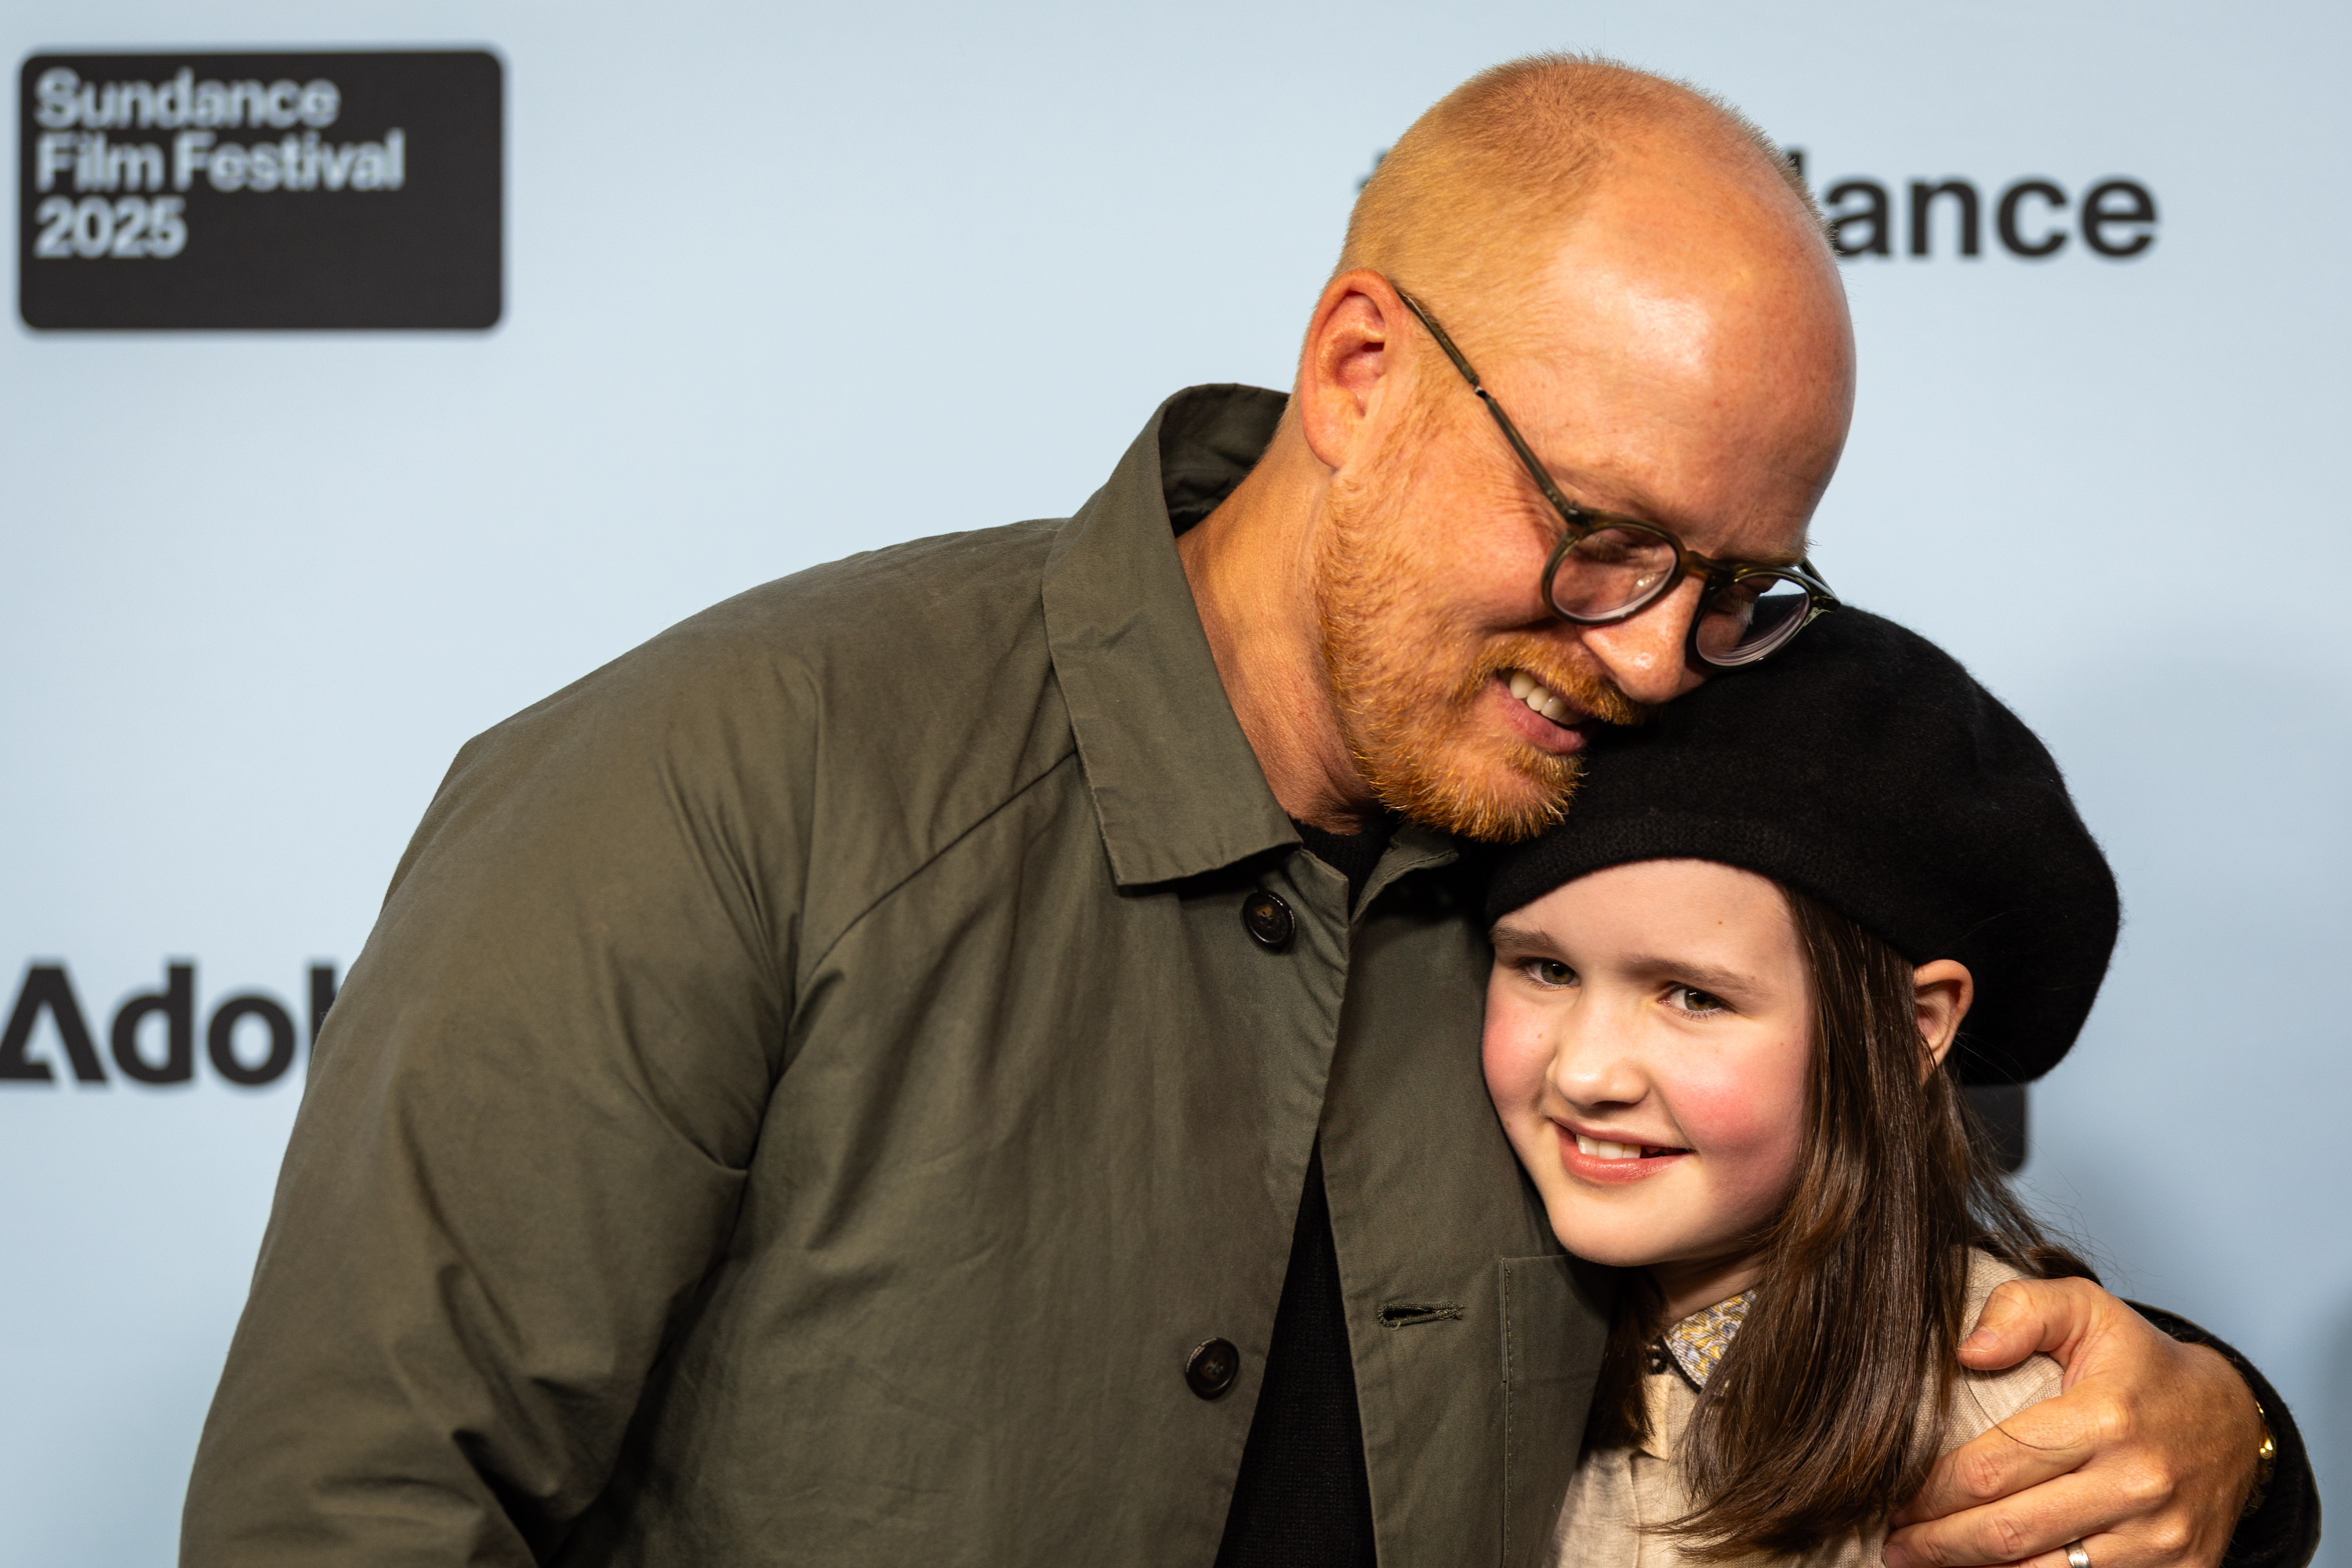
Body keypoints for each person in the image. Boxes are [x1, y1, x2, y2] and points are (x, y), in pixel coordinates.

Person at [182, 55, 2315, 1568]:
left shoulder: (1625, 793)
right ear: (1361, 368)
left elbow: (1888, 1236)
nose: (1659, 652)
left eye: (1741, 587)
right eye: (1601, 532)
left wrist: (2229, 1429)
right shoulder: (726, 778)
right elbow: (355, 1507)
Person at [1476, 608, 2281, 1568]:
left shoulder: (2016, 1437)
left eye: (1693, 995)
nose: (1585, 1071)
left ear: (1914, 1028)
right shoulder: (1474, 1327)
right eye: (1545, 968)